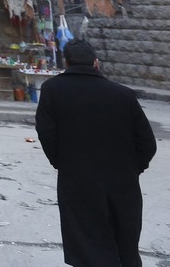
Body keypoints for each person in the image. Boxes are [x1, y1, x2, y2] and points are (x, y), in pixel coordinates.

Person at [35, 39, 157, 267]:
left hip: (77, 181)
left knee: (87, 242)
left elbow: (46, 133)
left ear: (66, 62)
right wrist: (133, 169)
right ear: (96, 63)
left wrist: (62, 162)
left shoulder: (53, 89)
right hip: (123, 183)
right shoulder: (123, 95)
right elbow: (147, 143)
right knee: (125, 243)